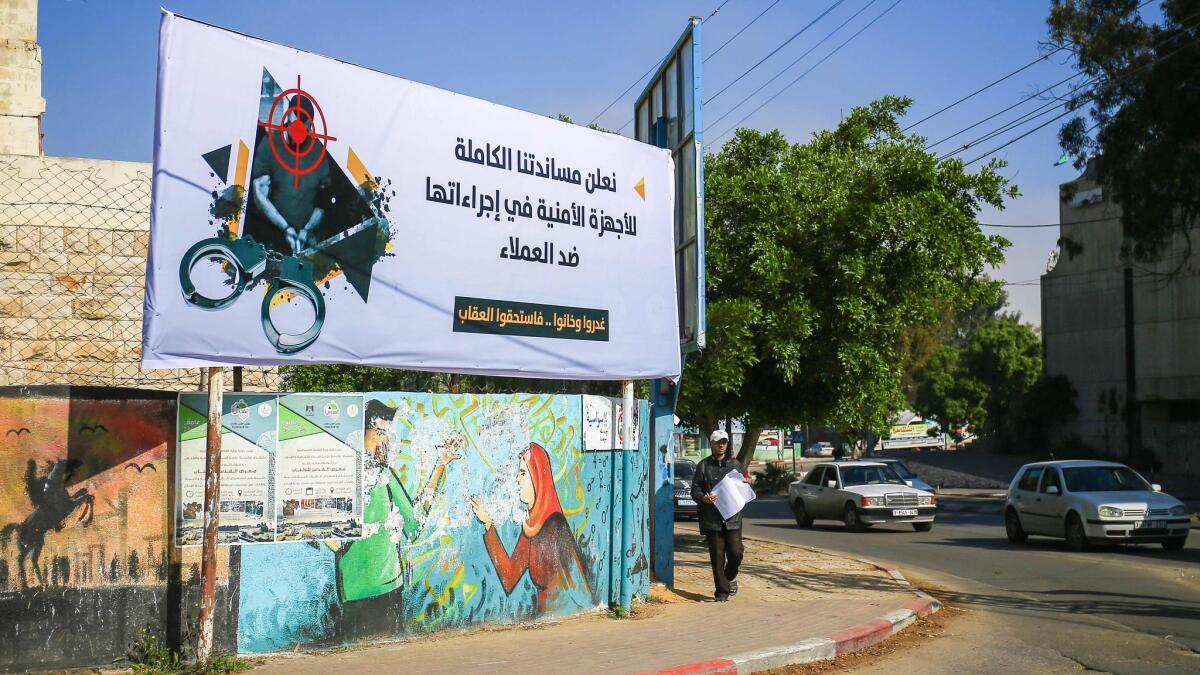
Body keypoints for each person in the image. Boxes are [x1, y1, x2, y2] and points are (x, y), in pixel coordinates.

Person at [470, 442, 590, 616]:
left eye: (523, 473)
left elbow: (576, 588)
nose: (518, 480)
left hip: (557, 620)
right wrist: (488, 523)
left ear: (536, 478)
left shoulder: (555, 526)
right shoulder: (532, 527)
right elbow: (509, 576)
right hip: (545, 619)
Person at [691, 429, 754, 601]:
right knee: (717, 558)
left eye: (724, 442)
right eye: (718, 442)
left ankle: (728, 579)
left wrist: (748, 482)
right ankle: (721, 592)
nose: (721, 445)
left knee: (736, 553)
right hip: (712, 520)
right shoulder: (703, 466)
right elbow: (695, 490)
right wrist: (704, 498)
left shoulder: (735, 465)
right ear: (711, 443)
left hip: (733, 519)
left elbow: (744, 485)